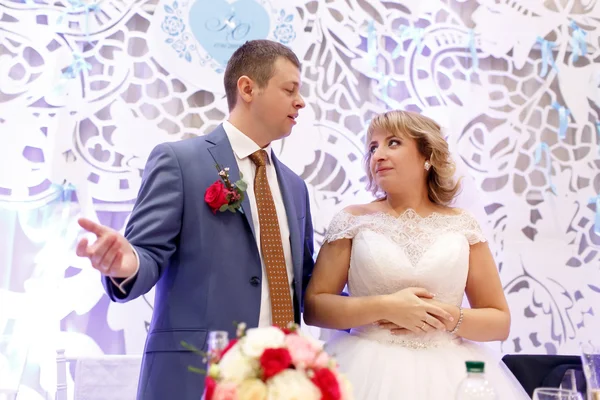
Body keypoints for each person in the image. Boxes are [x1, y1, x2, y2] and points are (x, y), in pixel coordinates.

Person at [75, 40, 315, 400]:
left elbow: (307, 286)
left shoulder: (296, 188)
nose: (301, 102)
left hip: (283, 382)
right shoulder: (180, 162)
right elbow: (147, 254)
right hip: (198, 378)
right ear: (248, 88)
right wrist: (128, 263)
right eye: (290, 89)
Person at [303, 110, 529, 399]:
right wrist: (386, 306)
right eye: (373, 147)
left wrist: (445, 316)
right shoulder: (352, 221)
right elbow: (315, 307)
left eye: (393, 143)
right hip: (364, 368)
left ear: (428, 156)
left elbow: (499, 322)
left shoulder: (463, 225)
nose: (378, 155)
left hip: (450, 375)